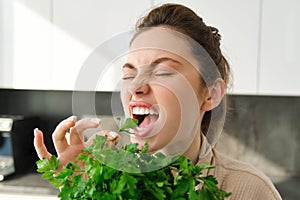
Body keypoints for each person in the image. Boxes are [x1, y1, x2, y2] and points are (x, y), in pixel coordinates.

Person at [34, 3, 282, 199]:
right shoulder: (104, 181)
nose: (136, 87)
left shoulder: (250, 191)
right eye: (129, 74)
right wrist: (85, 187)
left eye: (163, 72)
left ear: (210, 94)